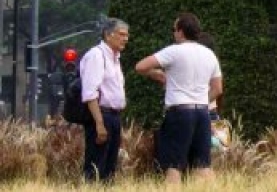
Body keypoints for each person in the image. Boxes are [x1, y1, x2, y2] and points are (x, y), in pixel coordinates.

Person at [136, 13, 224, 185]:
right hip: (202, 113)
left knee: (173, 165)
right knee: (203, 165)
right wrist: (202, 102)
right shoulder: (209, 54)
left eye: (174, 29)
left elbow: (140, 66)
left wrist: (159, 74)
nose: (173, 33)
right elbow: (217, 88)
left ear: (181, 31)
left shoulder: (173, 51)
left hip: (179, 112)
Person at [79, 18, 130, 182]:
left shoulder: (115, 58)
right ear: (108, 35)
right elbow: (90, 93)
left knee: (109, 167)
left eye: (127, 35)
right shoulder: (96, 55)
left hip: (114, 116)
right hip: (100, 115)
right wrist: (99, 124)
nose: (125, 39)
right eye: (121, 34)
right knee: (96, 165)